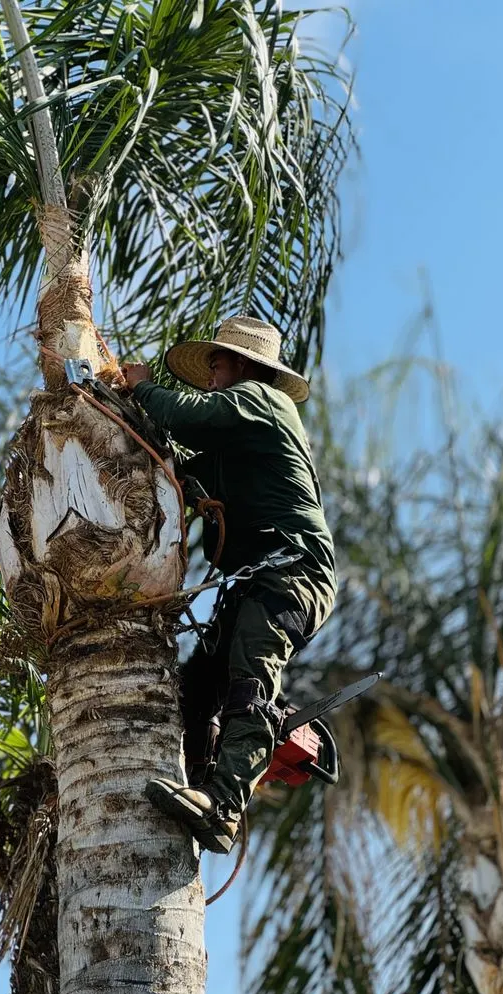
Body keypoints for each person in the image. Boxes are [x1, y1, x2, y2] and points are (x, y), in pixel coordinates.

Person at [122, 316, 337, 854]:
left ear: (242, 365)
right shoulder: (229, 445)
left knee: (249, 678)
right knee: (197, 689)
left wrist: (143, 386)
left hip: (293, 570)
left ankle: (224, 807)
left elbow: (185, 418)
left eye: (216, 361)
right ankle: (198, 785)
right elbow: (175, 464)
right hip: (256, 580)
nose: (210, 371)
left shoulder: (264, 400)